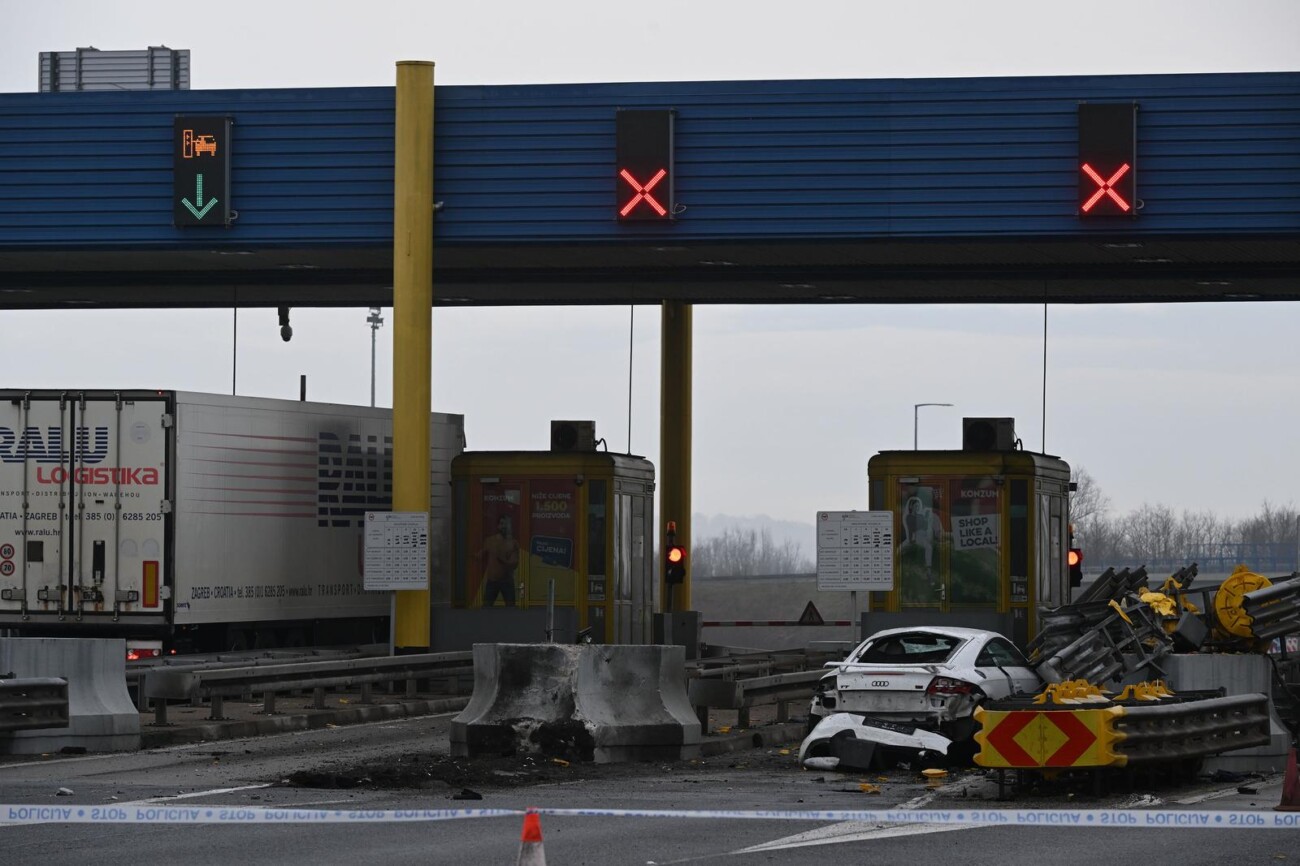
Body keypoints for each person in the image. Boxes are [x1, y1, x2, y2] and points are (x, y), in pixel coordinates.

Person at [480, 514, 521, 607]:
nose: (504, 526)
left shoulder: (514, 543)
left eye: (507, 524)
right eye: (502, 524)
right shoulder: (490, 540)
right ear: (498, 526)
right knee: (486, 609)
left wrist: (502, 560)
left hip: (507, 581)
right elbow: (480, 555)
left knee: (511, 610)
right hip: (492, 581)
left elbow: (514, 564)